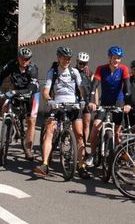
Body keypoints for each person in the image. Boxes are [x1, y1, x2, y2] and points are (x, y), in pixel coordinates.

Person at [33, 46, 90, 179]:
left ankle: (82, 167)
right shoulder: (52, 72)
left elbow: (81, 87)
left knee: (79, 135)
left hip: (73, 105)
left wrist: (82, 99)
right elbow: (46, 90)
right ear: (58, 58)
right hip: (57, 105)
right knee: (49, 131)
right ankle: (45, 164)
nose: (67, 61)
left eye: (69, 58)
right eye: (64, 58)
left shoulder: (74, 72)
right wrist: (49, 100)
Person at [86, 46, 131, 166]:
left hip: (118, 102)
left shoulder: (123, 69)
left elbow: (127, 87)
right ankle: (92, 154)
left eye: (119, 58)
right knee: (95, 127)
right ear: (109, 58)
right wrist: (91, 101)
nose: (116, 60)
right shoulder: (101, 69)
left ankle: (116, 156)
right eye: (114, 58)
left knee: (117, 133)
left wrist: (127, 103)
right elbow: (94, 85)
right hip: (105, 102)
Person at [0, 47, 40, 161]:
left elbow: (31, 88)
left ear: (30, 59)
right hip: (15, 90)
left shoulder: (33, 68)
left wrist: (14, 92)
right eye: (22, 58)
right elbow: (0, 76)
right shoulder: (11, 65)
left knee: (31, 121)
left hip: (32, 93)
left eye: (27, 59)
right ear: (18, 58)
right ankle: (8, 130)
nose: (24, 61)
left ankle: (28, 148)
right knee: (4, 107)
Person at [75, 52, 93, 160]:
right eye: (80, 63)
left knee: (86, 124)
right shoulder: (73, 71)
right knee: (78, 125)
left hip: (86, 101)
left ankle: (84, 147)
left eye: (84, 63)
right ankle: (78, 146)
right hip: (76, 101)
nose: (82, 65)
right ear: (77, 62)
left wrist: (94, 102)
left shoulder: (89, 72)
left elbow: (93, 88)